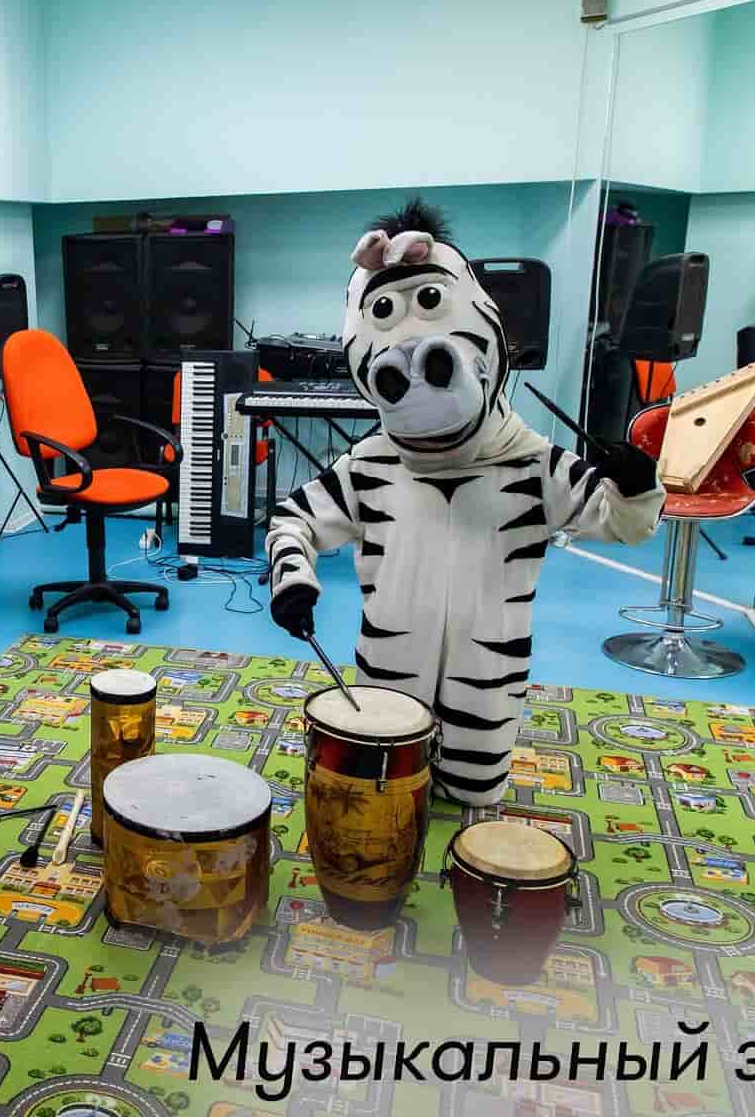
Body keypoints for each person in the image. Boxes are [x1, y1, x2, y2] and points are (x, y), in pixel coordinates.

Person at [266, 199, 664, 805]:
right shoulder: (371, 463)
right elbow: (293, 520)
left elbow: (623, 525)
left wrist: (635, 486)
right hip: (387, 667)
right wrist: (292, 580)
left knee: (475, 794)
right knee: (385, 792)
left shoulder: (530, 462)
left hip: (489, 675)